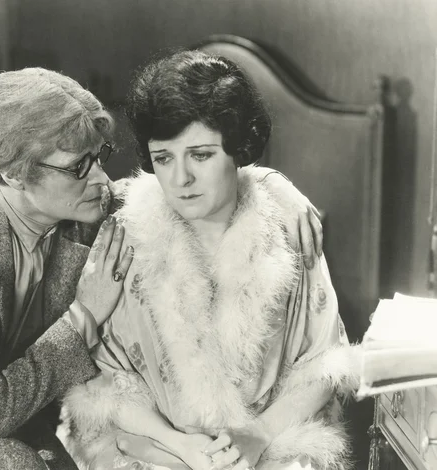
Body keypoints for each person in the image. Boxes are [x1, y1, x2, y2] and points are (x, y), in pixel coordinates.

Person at [0, 67, 322, 470]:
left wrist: (273, 186)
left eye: (100, 158)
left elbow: (181, 188)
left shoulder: (85, 206)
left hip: (20, 397)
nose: (99, 179)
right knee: (13, 465)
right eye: (76, 167)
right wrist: (83, 317)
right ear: (11, 174)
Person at [60, 51, 358, 470]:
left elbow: (322, 364)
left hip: (272, 444)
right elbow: (105, 382)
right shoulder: (124, 238)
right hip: (148, 448)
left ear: (239, 149)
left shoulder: (291, 233)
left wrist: (258, 435)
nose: (180, 180)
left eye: (200, 155)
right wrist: (178, 449)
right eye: (163, 158)